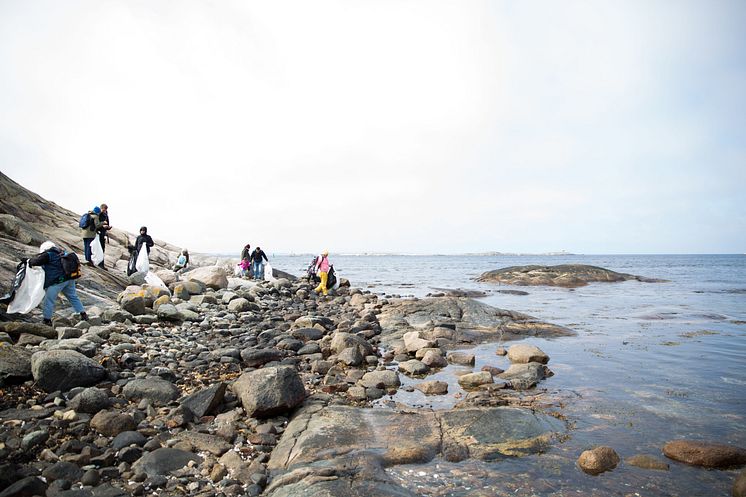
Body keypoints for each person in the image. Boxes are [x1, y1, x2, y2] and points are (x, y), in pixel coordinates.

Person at [29, 241, 87, 326]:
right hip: (69, 279)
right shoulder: (62, 252)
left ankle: (47, 320)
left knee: (49, 300)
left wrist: (27, 261)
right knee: (73, 297)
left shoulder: (47, 255)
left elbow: (34, 262)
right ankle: (83, 314)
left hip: (58, 281)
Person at [96, 203, 112, 270]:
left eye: (105, 209)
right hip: (99, 233)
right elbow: (96, 224)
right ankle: (98, 263)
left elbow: (107, 223)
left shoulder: (106, 215)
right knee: (99, 249)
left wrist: (108, 227)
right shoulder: (98, 214)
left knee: (102, 249)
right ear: (101, 208)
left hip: (103, 233)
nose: (104, 210)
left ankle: (101, 264)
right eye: (104, 209)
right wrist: (102, 225)